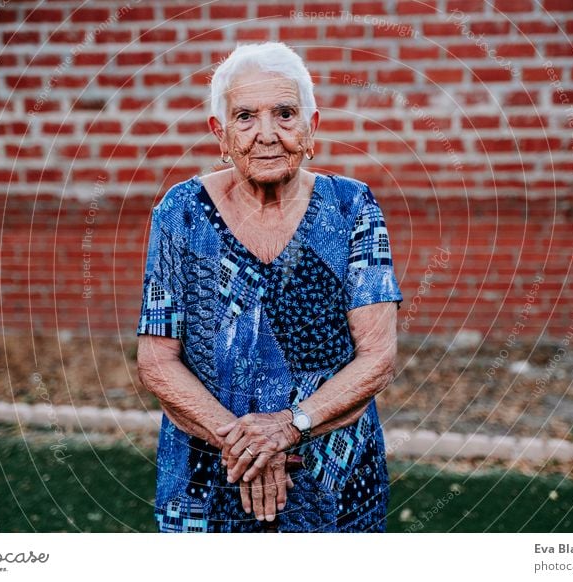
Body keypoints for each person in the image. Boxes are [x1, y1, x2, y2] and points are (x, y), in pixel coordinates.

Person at [136, 42, 403, 532]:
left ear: (311, 127)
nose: (266, 134)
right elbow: (156, 361)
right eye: (244, 117)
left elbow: (377, 358)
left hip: (332, 474)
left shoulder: (351, 208)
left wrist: (288, 426)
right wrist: (246, 444)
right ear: (220, 133)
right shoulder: (181, 212)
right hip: (206, 473)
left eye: (284, 114)